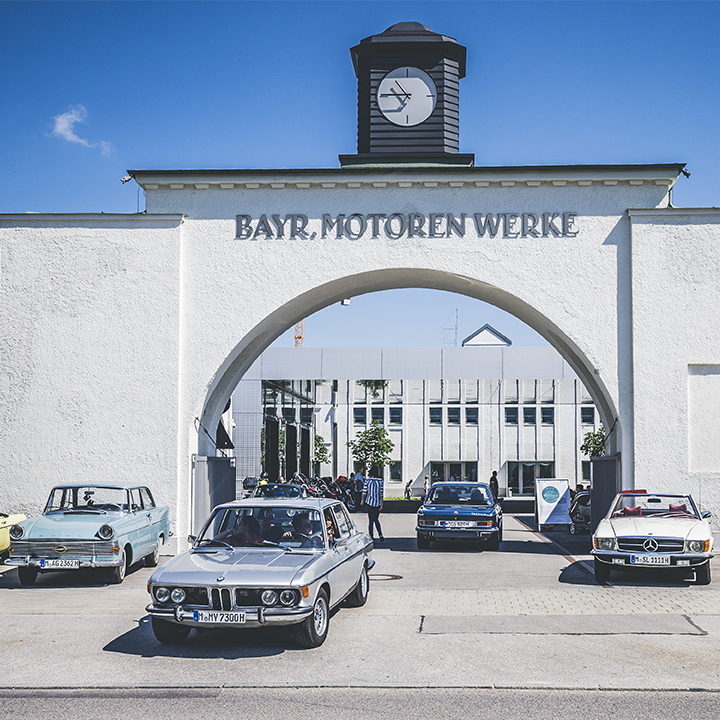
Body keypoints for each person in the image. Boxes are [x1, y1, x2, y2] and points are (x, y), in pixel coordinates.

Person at [362, 463, 384, 542]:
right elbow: (381, 493)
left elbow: (364, 491)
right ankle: (380, 534)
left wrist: (362, 500)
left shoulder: (367, 480)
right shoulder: (380, 481)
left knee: (370, 521)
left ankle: (371, 537)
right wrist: (381, 504)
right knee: (376, 519)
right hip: (377, 503)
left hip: (369, 502)